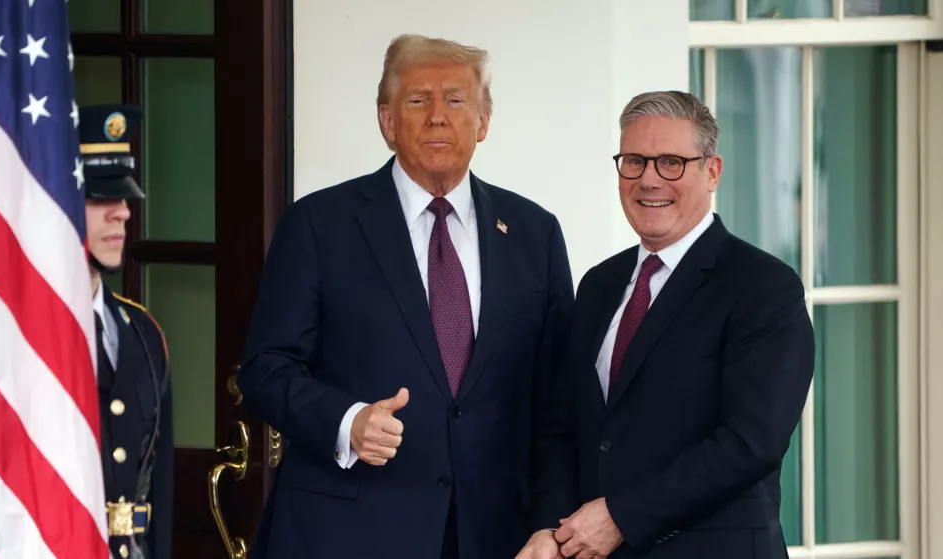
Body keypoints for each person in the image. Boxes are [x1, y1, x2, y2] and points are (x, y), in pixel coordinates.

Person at [237, 34, 574, 559]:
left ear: (484, 120)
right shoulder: (319, 224)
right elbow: (265, 367)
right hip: (348, 532)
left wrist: (550, 524)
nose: (437, 116)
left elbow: (557, 405)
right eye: (418, 100)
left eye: (456, 100)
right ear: (387, 121)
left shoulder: (535, 232)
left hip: (494, 536)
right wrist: (347, 422)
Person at [517, 91, 815, 559]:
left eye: (671, 162)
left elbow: (750, 443)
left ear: (711, 171)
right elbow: (564, 429)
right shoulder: (599, 285)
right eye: (634, 161)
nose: (649, 179)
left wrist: (621, 516)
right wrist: (546, 529)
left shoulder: (763, 287)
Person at [80, 104, 174, 559]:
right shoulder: (8, 339)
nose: (121, 213)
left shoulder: (143, 332)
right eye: (99, 198)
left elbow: (159, 487)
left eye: (123, 198)